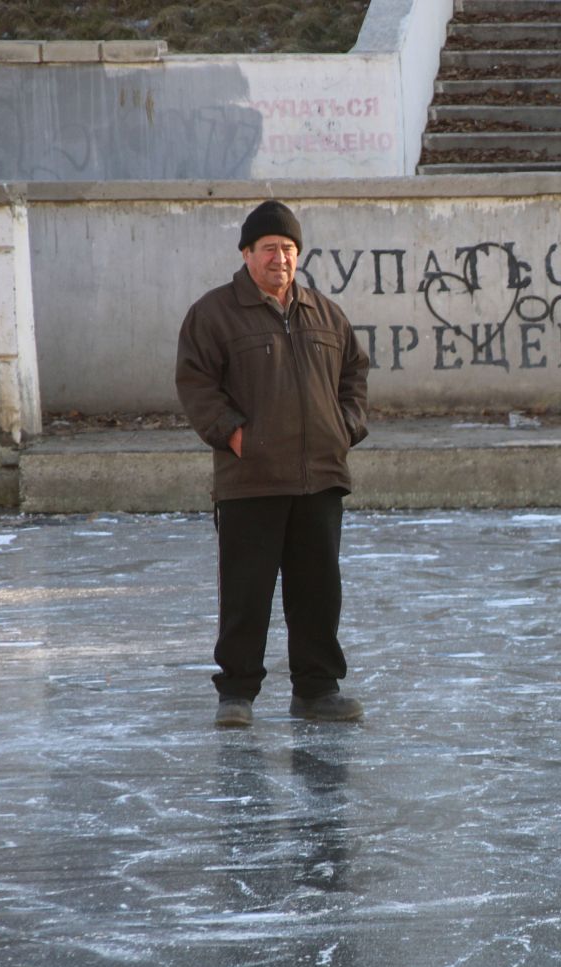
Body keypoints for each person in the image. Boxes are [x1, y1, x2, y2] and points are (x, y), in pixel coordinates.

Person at [176, 199, 372, 728]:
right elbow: (197, 385)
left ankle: (317, 690)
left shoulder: (325, 313)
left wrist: (345, 426)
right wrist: (234, 436)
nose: (279, 259)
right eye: (269, 249)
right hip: (251, 478)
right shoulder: (214, 313)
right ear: (246, 254)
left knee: (318, 591)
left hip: (320, 477)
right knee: (247, 592)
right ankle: (236, 693)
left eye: (288, 249)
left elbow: (355, 375)